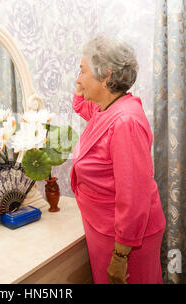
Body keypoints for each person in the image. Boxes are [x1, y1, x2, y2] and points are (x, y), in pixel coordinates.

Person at [70, 35, 166, 284]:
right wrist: (81, 85)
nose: (78, 79)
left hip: (126, 240)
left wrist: (120, 256)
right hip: (104, 228)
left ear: (106, 76)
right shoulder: (106, 109)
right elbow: (80, 104)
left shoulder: (125, 122)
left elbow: (133, 197)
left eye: (82, 71)